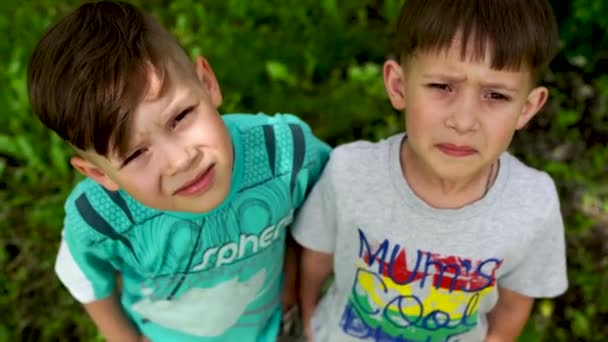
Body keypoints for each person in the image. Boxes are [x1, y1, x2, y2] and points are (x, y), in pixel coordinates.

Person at [27, 1, 330, 341]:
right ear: (100, 175)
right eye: (136, 154)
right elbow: (80, 275)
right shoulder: (100, 219)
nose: (180, 161)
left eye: (181, 116)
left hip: (276, 329)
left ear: (207, 83)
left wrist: (300, 291)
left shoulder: (284, 154)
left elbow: (327, 209)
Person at [291, 0, 568, 341]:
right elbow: (315, 259)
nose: (463, 121)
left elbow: (513, 305)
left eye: (495, 95)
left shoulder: (533, 205)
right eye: (441, 87)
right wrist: (308, 322)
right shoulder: (349, 171)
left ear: (526, 108)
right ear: (398, 85)